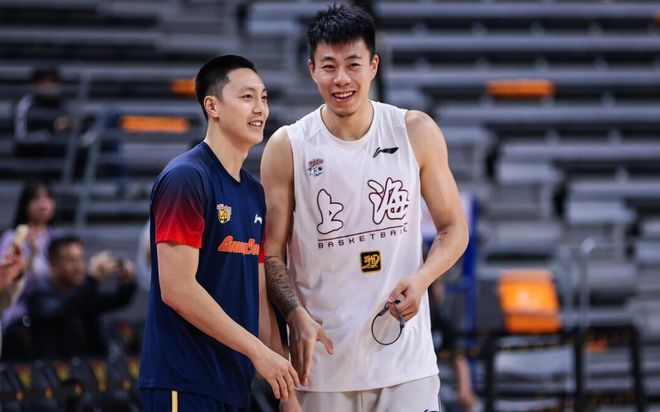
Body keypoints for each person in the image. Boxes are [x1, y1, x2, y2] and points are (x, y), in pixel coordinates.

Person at [260, 4, 469, 411]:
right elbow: (271, 255)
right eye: (329, 66)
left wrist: (423, 278)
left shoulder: (415, 131)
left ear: (373, 66)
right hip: (321, 371)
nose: (341, 78)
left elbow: (454, 228)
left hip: (406, 366)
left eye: (353, 64)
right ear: (311, 70)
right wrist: (294, 313)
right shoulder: (287, 146)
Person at [138, 55, 299, 412]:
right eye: (247, 97)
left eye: (264, 97)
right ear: (212, 106)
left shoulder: (253, 193)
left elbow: (259, 296)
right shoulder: (185, 178)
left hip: (232, 387)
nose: (260, 108)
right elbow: (177, 289)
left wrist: (287, 395)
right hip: (182, 383)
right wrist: (258, 352)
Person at [26, 234, 136, 358]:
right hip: (54, 367)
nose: (78, 267)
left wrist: (126, 282)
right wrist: (92, 280)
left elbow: (118, 300)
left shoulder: (83, 293)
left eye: (80, 259)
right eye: (71, 260)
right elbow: (61, 311)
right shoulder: (40, 295)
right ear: (53, 265)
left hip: (90, 366)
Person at [0, 181, 58, 359]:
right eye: (36, 198)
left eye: (47, 198)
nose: (42, 204)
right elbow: (8, 282)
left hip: (54, 310)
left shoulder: (58, 237)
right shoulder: (13, 238)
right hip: (22, 314)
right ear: (25, 204)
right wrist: (31, 254)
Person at [430, 281, 480, 412]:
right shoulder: (415, 320)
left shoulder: (441, 320)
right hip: (424, 381)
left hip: (444, 382)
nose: (441, 291)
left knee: (475, 406)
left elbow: (459, 357)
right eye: (437, 286)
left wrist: (465, 388)